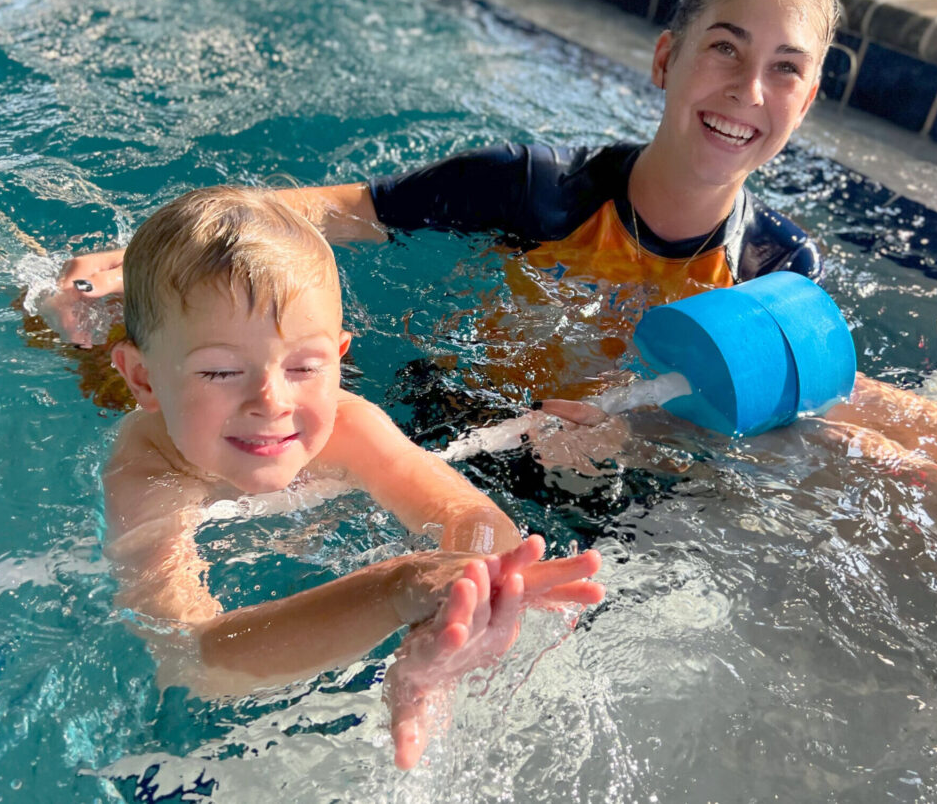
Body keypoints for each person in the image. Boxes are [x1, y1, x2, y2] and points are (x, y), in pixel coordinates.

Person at [56, 0, 937, 474]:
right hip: (452, 420)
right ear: (665, 61)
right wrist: (135, 245)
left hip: (614, 484)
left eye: (785, 69)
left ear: (804, 103)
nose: (747, 91)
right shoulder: (536, 188)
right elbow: (335, 213)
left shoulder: (779, 272)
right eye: (724, 51)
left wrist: (634, 449)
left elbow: (753, 435)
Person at [102, 186, 605, 770]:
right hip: (98, 375)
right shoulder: (146, 469)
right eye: (219, 371)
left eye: (305, 367)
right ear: (142, 380)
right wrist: (395, 588)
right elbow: (190, 659)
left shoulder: (347, 423)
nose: (271, 401)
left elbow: (471, 518)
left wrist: (460, 601)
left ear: (338, 358)